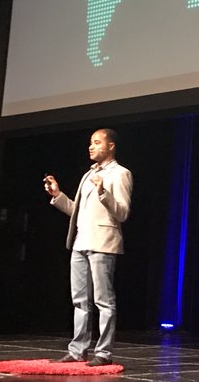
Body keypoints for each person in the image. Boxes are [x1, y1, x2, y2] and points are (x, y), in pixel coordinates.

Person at [42, 128, 132, 366]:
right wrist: (58, 195)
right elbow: (77, 212)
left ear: (111, 146)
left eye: (97, 142)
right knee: (79, 300)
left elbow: (122, 213)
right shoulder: (88, 174)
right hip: (80, 242)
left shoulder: (121, 174)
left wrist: (103, 193)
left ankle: (103, 353)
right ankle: (77, 350)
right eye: (91, 142)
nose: (91, 146)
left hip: (103, 243)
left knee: (104, 301)